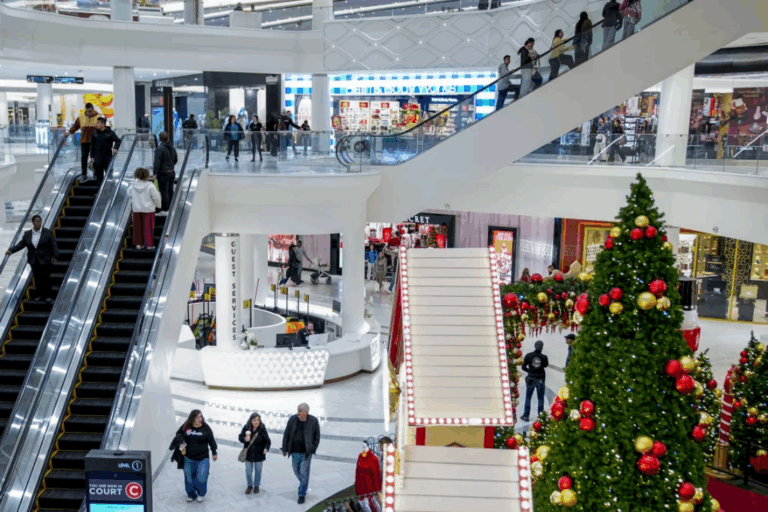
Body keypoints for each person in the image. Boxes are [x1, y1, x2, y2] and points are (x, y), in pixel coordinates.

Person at [6, 214, 59, 303]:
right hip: (34, 260)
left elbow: (53, 244)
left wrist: (56, 255)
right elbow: (21, 244)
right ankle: (40, 295)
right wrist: (11, 250)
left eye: (40, 221)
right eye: (36, 221)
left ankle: (48, 296)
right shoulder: (28, 234)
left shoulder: (47, 233)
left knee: (46, 278)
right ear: (33, 222)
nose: (38, 223)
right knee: (37, 278)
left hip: (45, 259)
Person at [171, 410, 218, 503]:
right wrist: (181, 442)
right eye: (198, 417)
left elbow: (211, 440)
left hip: (203, 458)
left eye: (201, 416)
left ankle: (201, 494)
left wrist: (214, 452)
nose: (200, 419)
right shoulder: (186, 426)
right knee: (189, 479)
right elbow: (178, 433)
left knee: (201, 478)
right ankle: (191, 494)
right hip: (188, 458)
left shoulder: (205, 427)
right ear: (192, 418)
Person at [281, 403, 321, 504]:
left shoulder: (313, 421)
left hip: (306, 453)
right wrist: (284, 448)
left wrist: (313, 448)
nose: (298, 413)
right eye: (298, 410)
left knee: (304, 472)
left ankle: (301, 494)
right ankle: (304, 482)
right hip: (294, 451)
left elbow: (317, 436)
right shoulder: (292, 419)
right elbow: (286, 434)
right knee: (296, 470)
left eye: (300, 411)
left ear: (306, 412)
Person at [128, 167, 161, 250]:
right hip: (148, 210)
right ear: (147, 175)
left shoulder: (132, 186)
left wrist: (134, 202)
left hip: (136, 210)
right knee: (148, 227)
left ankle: (138, 244)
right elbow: (156, 197)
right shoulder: (150, 186)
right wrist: (158, 205)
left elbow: (129, 195)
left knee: (138, 227)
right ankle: (148, 244)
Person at [238, 413, 271, 495]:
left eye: (258, 420)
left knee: (258, 471)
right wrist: (245, 439)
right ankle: (249, 486)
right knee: (248, 471)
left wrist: (266, 448)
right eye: (254, 420)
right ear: (251, 420)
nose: (256, 422)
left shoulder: (262, 429)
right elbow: (240, 437)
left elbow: (268, 441)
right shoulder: (246, 428)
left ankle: (256, 486)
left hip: (259, 454)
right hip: (248, 455)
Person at [68, 102, 100, 182]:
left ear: (93, 109)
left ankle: (96, 174)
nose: (89, 112)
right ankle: (84, 174)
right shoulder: (81, 117)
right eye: (88, 111)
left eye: (91, 111)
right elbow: (75, 126)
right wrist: (69, 132)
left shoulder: (98, 117)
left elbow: (102, 127)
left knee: (95, 158)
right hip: (84, 141)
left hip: (95, 141)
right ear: (85, 110)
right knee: (84, 157)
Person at [520, 340, 549, 421]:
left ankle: (526, 415)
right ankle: (541, 417)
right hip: (540, 379)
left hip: (531, 378)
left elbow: (523, 367)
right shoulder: (544, 357)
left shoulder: (528, 355)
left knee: (528, 397)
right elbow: (546, 365)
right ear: (542, 347)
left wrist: (529, 371)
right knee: (540, 398)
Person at [88, 117, 121, 186]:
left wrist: (115, 148)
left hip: (107, 155)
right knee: (98, 175)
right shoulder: (94, 133)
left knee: (109, 174)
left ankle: (109, 190)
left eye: (98, 123)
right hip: (97, 156)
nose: (97, 124)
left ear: (103, 124)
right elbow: (92, 145)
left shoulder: (110, 133)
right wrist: (92, 156)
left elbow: (118, 140)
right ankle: (99, 191)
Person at [153, 131, 178, 216]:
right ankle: (171, 207)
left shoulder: (159, 149)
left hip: (163, 173)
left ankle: (165, 208)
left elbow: (157, 162)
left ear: (160, 139)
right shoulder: (173, 148)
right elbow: (176, 160)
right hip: (172, 172)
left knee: (164, 191)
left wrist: (155, 173)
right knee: (170, 190)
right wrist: (170, 167)